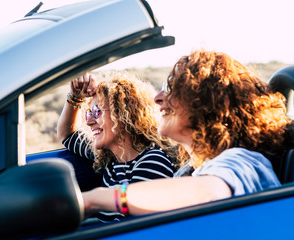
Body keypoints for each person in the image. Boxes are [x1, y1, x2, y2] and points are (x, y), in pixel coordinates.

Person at [82, 49, 294, 217]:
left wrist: (95, 199)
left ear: (208, 102)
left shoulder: (241, 161)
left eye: (171, 88)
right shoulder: (193, 169)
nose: (157, 97)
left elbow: (209, 192)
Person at [57, 72, 178, 222]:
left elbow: (133, 228)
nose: (89, 122)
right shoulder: (109, 157)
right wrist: (75, 97)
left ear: (123, 115)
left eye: (97, 112)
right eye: (89, 113)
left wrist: (93, 200)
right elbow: (66, 134)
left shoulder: (152, 162)